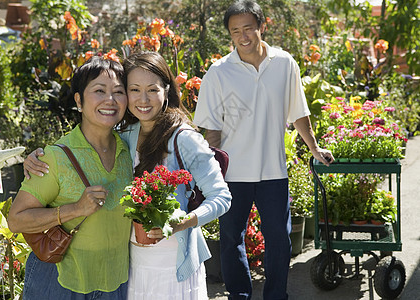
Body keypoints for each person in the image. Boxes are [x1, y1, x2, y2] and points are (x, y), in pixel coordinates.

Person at [23, 51, 232, 299]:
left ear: (166, 91)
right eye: (133, 89)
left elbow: (221, 197)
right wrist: (36, 156)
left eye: (152, 90)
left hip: (172, 264)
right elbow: (88, 138)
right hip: (132, 265)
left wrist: (183, 222)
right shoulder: (126, 135)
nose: (143, 99)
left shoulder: (185, 138)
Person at [193, 1, 334, 299]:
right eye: (235, 31)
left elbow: (299, 113)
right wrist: (207, 171)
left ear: (261, 26)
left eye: (248, 28)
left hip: (273, 171)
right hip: (233, 174)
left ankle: (275, 295)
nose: (243, 36)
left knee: (280, 240)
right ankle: (239, 295)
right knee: (231, 239)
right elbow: (212, 131)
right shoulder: (218, 73)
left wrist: (315, 147)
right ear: (229, 34)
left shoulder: (284, 63)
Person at [7, 56, 133, 299]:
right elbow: (16, 220)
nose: (110, 100)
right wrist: (74, 209)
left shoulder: (129, 149)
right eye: (99, 90)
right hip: (60, 283)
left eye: (119, 91)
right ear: (79, 100)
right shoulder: (55, 157)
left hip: (116, 282)